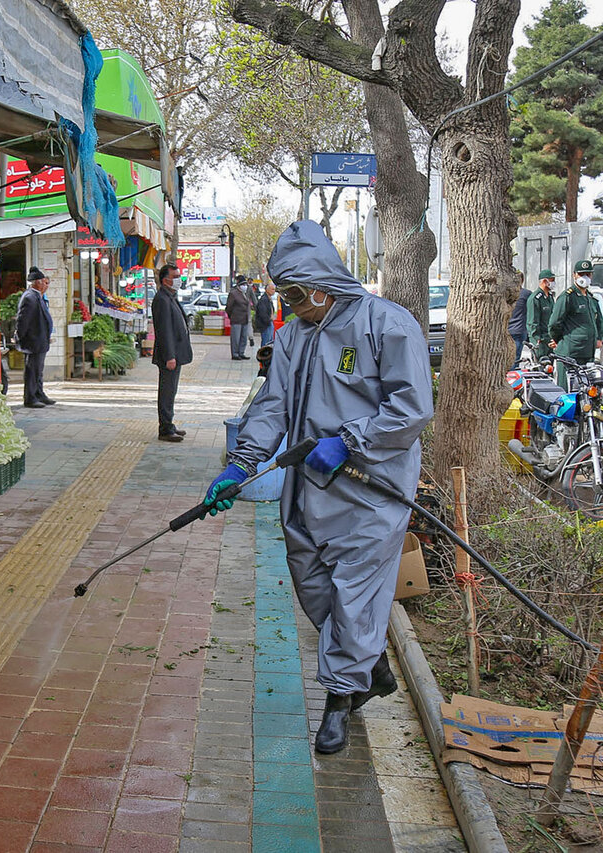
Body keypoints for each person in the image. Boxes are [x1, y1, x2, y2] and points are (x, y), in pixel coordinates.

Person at [202, 221, 433, 755]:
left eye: (298, 294)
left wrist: (351, 441)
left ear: (324, 282)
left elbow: (411, 408)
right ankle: (368, 663)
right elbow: (273, 406)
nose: (294, 305)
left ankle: (338, 702)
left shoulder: (388, 325)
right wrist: (240, 465)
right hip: (308, 491)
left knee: (354, 596)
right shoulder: (292, 337)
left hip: (371, 491)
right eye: (284, 295)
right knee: (315, 588)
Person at [152, 264, 193, 443]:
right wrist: (170, 356)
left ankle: (169, 423)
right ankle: (165, 428)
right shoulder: (161, 299)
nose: (178, 280)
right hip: (169, 355)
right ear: (165, 280)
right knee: (167, 391)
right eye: (175, 276)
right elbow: (164, 330)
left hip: (176, 353)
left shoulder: (171, 297)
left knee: (172, 391)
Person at [548, 259, 602, 388]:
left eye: (588, 274)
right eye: (581, 274)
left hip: (587, 353)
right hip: (570, 353)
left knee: (585, 391)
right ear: (574, 275)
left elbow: (599, 321)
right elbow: (555, 323)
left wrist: (599, 338)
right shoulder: (567, 297)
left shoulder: (591, 298)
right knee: (567, 390)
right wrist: (559, 339)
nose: (585, 277)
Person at [15, 267, 54, 408]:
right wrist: (20, 337)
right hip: (33, 342)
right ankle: (30, 397)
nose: (46, 285)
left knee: (38, 370)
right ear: (37, 282)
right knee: (32, 371)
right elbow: (22, 320)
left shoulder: (37, 296)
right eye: (44, 282)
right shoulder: (30, 297)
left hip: (40, 341)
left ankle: (39, 394)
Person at [528, 269, 555, 363]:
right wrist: (536, 340)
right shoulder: (535, 298)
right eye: (552, 280)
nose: (553, 282)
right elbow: (532, 322)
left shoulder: (550, 297)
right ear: (544, 281)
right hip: (541, 342)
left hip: (549, 340)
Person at [226, 277, 252, 360]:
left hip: (244, 319)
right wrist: (232, 316)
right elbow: (228, 307)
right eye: (243, 285)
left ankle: (241, 352)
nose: (245, 286)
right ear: (239, 286)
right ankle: (235, 354)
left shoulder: (245, 294)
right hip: (236, 319)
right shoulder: (233, 294)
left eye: (246, 285)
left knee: (243, 338)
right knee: (236, 338)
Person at [508, 284, 530, 370]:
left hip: (507, 330)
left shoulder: (506, 293)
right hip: (519, 330)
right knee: (515, 358)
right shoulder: (526, 294)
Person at [254, 282, 278, 347]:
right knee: (266, 342)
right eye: (272, 289)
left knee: (269, 342)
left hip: (269, 323)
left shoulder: (269, 299)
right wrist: (269, 320)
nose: (274, 291)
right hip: (266, 324)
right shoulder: (264, 299)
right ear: (267, 290)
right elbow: (263, 313)